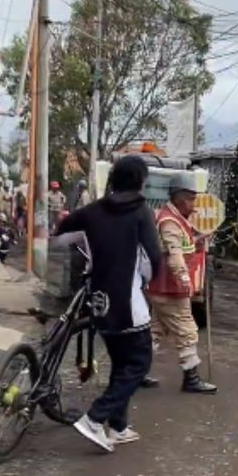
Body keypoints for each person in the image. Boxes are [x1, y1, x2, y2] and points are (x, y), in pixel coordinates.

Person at [53, 155, 162, 452]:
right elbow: (154, 257)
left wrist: (88, 255)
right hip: (130, 302)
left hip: (99, 301)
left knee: (121, 363)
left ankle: (118, 426)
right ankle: (95, 418)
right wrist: (147, 281)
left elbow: (60, 236)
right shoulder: (141, 212)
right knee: (138, 364)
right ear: (140, 181)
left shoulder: (92, 211)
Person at [145, 173, 216, 394]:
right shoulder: (169, 222)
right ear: (179, 198)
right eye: (191, 199)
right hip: (170, 288)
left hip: (162, 287)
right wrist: (183, 278)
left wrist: (199, 239)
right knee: (187, 331)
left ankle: (135, 371)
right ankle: (191, 378)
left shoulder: (175, 219)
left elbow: (183, 245)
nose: (194, 205)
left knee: (155, 331)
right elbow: (174, 253)